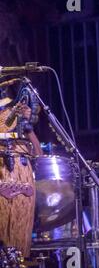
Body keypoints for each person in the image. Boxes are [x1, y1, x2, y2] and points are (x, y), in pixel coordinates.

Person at [0, 82, 43, 257]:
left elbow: (38, 153)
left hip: (21, 171)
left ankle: (18, 264)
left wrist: (26, 123)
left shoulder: (19, 126)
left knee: (18, 240)